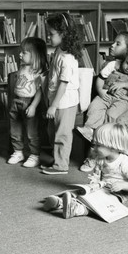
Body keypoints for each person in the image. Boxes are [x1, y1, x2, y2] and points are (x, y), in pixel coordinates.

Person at [77, 43, 128, 172]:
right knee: (94, 107)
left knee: (112, 114)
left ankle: (105, 139)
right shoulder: (113, 65)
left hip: (121, 100)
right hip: (106, 95)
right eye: (127, 63)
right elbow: (100, 79)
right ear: (126, 57)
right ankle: (90, 130)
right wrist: (100, 91)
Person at [43, 123, 128, 219]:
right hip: (103, 187)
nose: (94, 148)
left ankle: (77, 210)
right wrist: (94, 181)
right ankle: (60, 202)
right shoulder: (101, 158)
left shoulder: (125, 162)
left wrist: (122, 185)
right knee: (81, 192)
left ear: (113, 146)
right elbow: (98, 175)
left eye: (98, 145)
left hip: (119, 193)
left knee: (101, 203)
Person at [41, 12, 83, 175]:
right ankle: (58, 159)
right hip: (57, 100)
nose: (48, 37)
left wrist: (53, 105)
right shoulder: (59, 50)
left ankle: (61, 165)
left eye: (51, 34)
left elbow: (63, 85)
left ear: (64, 34)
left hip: (64, 102)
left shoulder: (67, 58)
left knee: (62, 134)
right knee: (53, 132)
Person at [7, 37, 49, 168]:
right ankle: (18, 152)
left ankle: (34, 155)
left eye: (24, 52)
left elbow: (40, 91)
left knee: (32, 132)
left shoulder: (40, 71)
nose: (20, 54)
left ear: (35, 55)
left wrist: (33, 106)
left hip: (30, 103)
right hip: (16, 101)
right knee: (15, 129)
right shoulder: (23, 66)